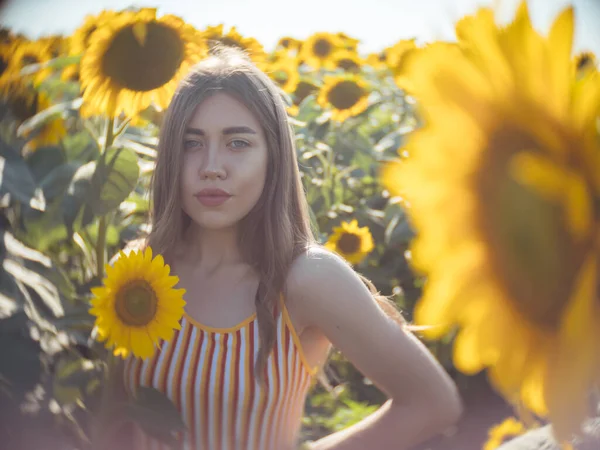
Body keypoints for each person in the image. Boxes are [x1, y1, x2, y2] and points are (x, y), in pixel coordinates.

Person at [117, 46, 462, 450]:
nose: (211, 165)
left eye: (238, 143)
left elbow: (434, 403)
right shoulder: (138, 268)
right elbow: (115, 413)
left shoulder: (307, 278)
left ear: (274, 158)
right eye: (191, 143)